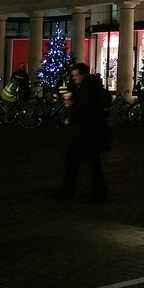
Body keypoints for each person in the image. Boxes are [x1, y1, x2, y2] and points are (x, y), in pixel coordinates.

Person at [54, 62, 112, 202]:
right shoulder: (83, 86)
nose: (74, 78)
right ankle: (97, 192)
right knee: (88, 163)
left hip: (89, 132)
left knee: (77, 161)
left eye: (76, 75)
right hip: (85, 132)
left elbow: (87, 109)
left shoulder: (89, 89)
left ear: (83, 74)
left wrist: (73, 108)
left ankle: (74, 192)